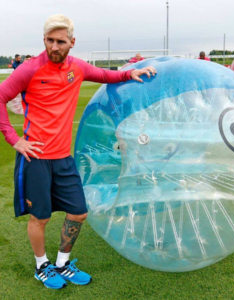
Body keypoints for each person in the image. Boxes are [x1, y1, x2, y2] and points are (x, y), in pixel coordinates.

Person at [0, 14, 156, 290]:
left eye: (60, 41)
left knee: (79, 212)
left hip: (63, 158)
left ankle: (62, 263)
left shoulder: (78, 68)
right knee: (41, 217)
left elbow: (108, 75)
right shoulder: (29, 69)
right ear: (44, 40)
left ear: (72, 42)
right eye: (50, 40)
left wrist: (130, 73)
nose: (54, 47)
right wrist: (14, 139)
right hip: (35, 158)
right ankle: (42, 266)